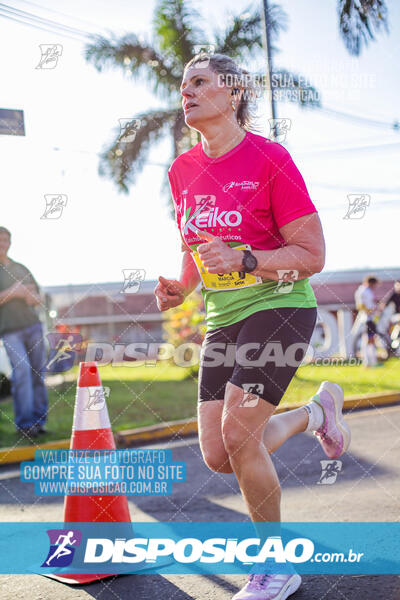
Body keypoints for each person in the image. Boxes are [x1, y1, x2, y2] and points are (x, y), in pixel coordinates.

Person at [154, 53, 351, 600]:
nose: (187, 92)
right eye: (183, 84)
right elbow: (197, 245)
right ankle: (316, 412)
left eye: (199, 82)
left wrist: (244, 260)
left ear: (234, 92)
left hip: (282, 303)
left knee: (240, 436)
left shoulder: (269, 158)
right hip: (223, 317)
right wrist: (183, 286)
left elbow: (311, 254)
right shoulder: (182, 169)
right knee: (220, 455)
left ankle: (275, 566)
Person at [0, 226, 48, 437]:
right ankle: (25, 424)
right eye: (0, 240)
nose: (3, 244)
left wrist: (30, 296)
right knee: (22, 374)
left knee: (38, 374)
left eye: (6, 240)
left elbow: (37, 298)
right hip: (10, 332)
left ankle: (39, 421)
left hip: (32, 326)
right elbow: (15, 293)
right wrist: (15, 292)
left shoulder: (21, 268)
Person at [354, 275, 380, 367]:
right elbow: (360, 305)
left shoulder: (368, 291)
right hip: (367, 318)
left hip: (371, 318)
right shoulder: (362, 291)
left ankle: (372, 361)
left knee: (371, 339)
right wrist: (370, 311)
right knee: (368, 340)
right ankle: (368, 362)